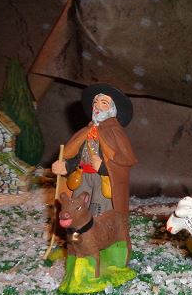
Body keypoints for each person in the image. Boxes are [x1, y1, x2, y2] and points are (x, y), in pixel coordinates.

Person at [52, 83, 137, 217]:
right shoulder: (86, 131)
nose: (97, 106)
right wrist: (66, 166)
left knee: (98, 210)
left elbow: (124, 161)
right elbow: (77, 156)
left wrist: (103, 167)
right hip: (82, 176)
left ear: (113, 110)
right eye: (95, 102)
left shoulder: (115, 133)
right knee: (76, 207)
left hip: (101, 179)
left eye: (103, 103)